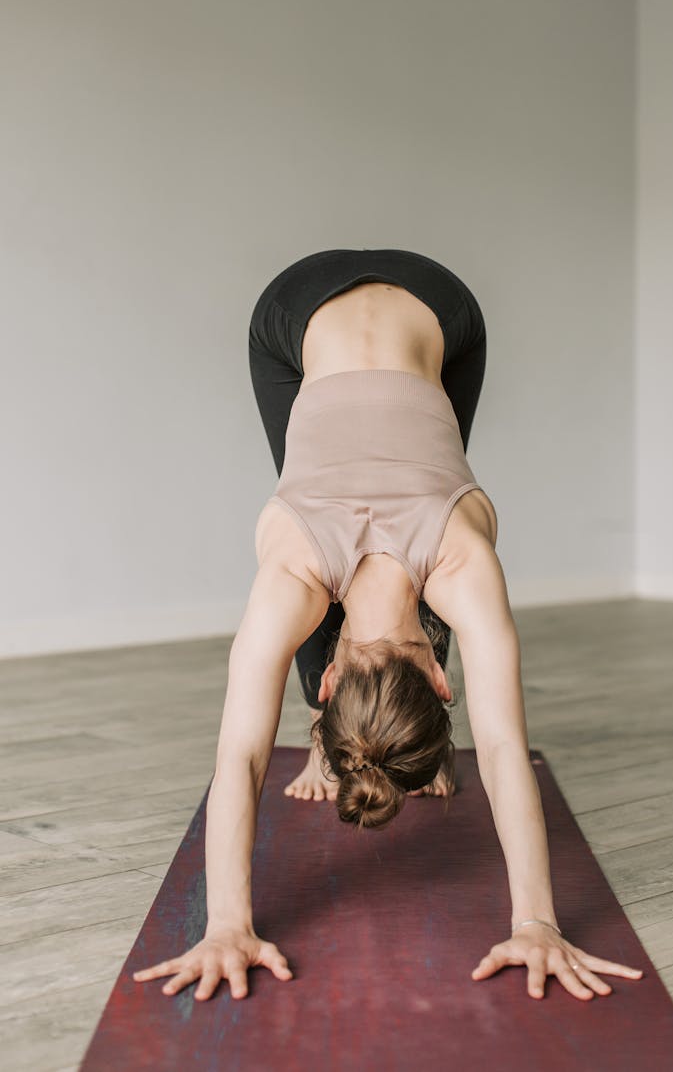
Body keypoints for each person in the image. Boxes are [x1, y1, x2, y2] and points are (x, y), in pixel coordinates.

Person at [133, 247, 643, 1002]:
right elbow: (238, 755)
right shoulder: (295, 570)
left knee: (329, 531)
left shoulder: (463, 566)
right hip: (303, 304)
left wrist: (538, 920)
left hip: (442, 308)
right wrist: (226, 925)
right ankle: (338, 739)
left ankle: (349, 741)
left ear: (439, 680)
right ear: (332, 680)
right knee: (298, 547)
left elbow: (498, 747)